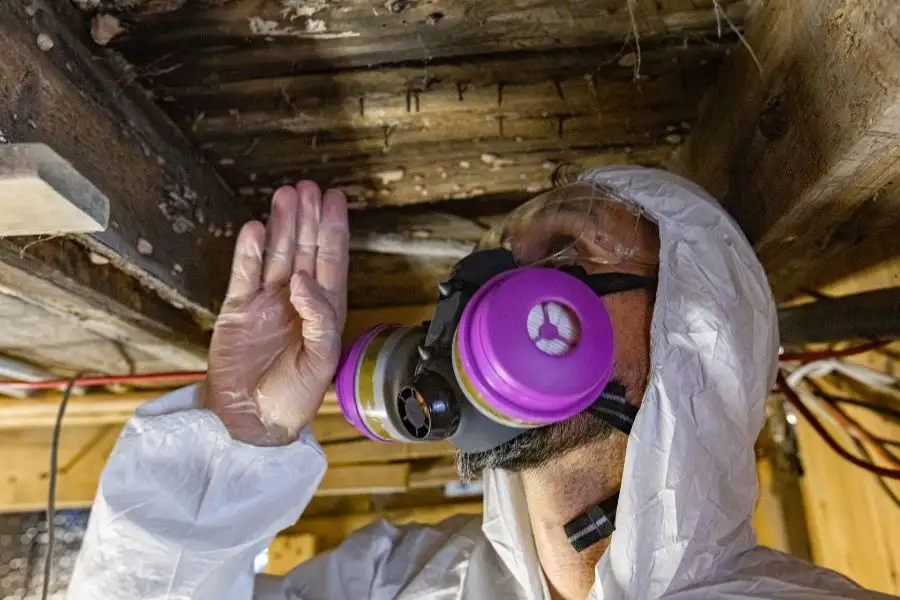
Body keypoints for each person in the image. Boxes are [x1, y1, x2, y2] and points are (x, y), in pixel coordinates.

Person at [67, 168, 894, 600]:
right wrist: (237, 431)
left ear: (695, 336)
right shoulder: (396, 584)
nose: (481, 300)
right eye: (492, 266)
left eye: (568, 260)